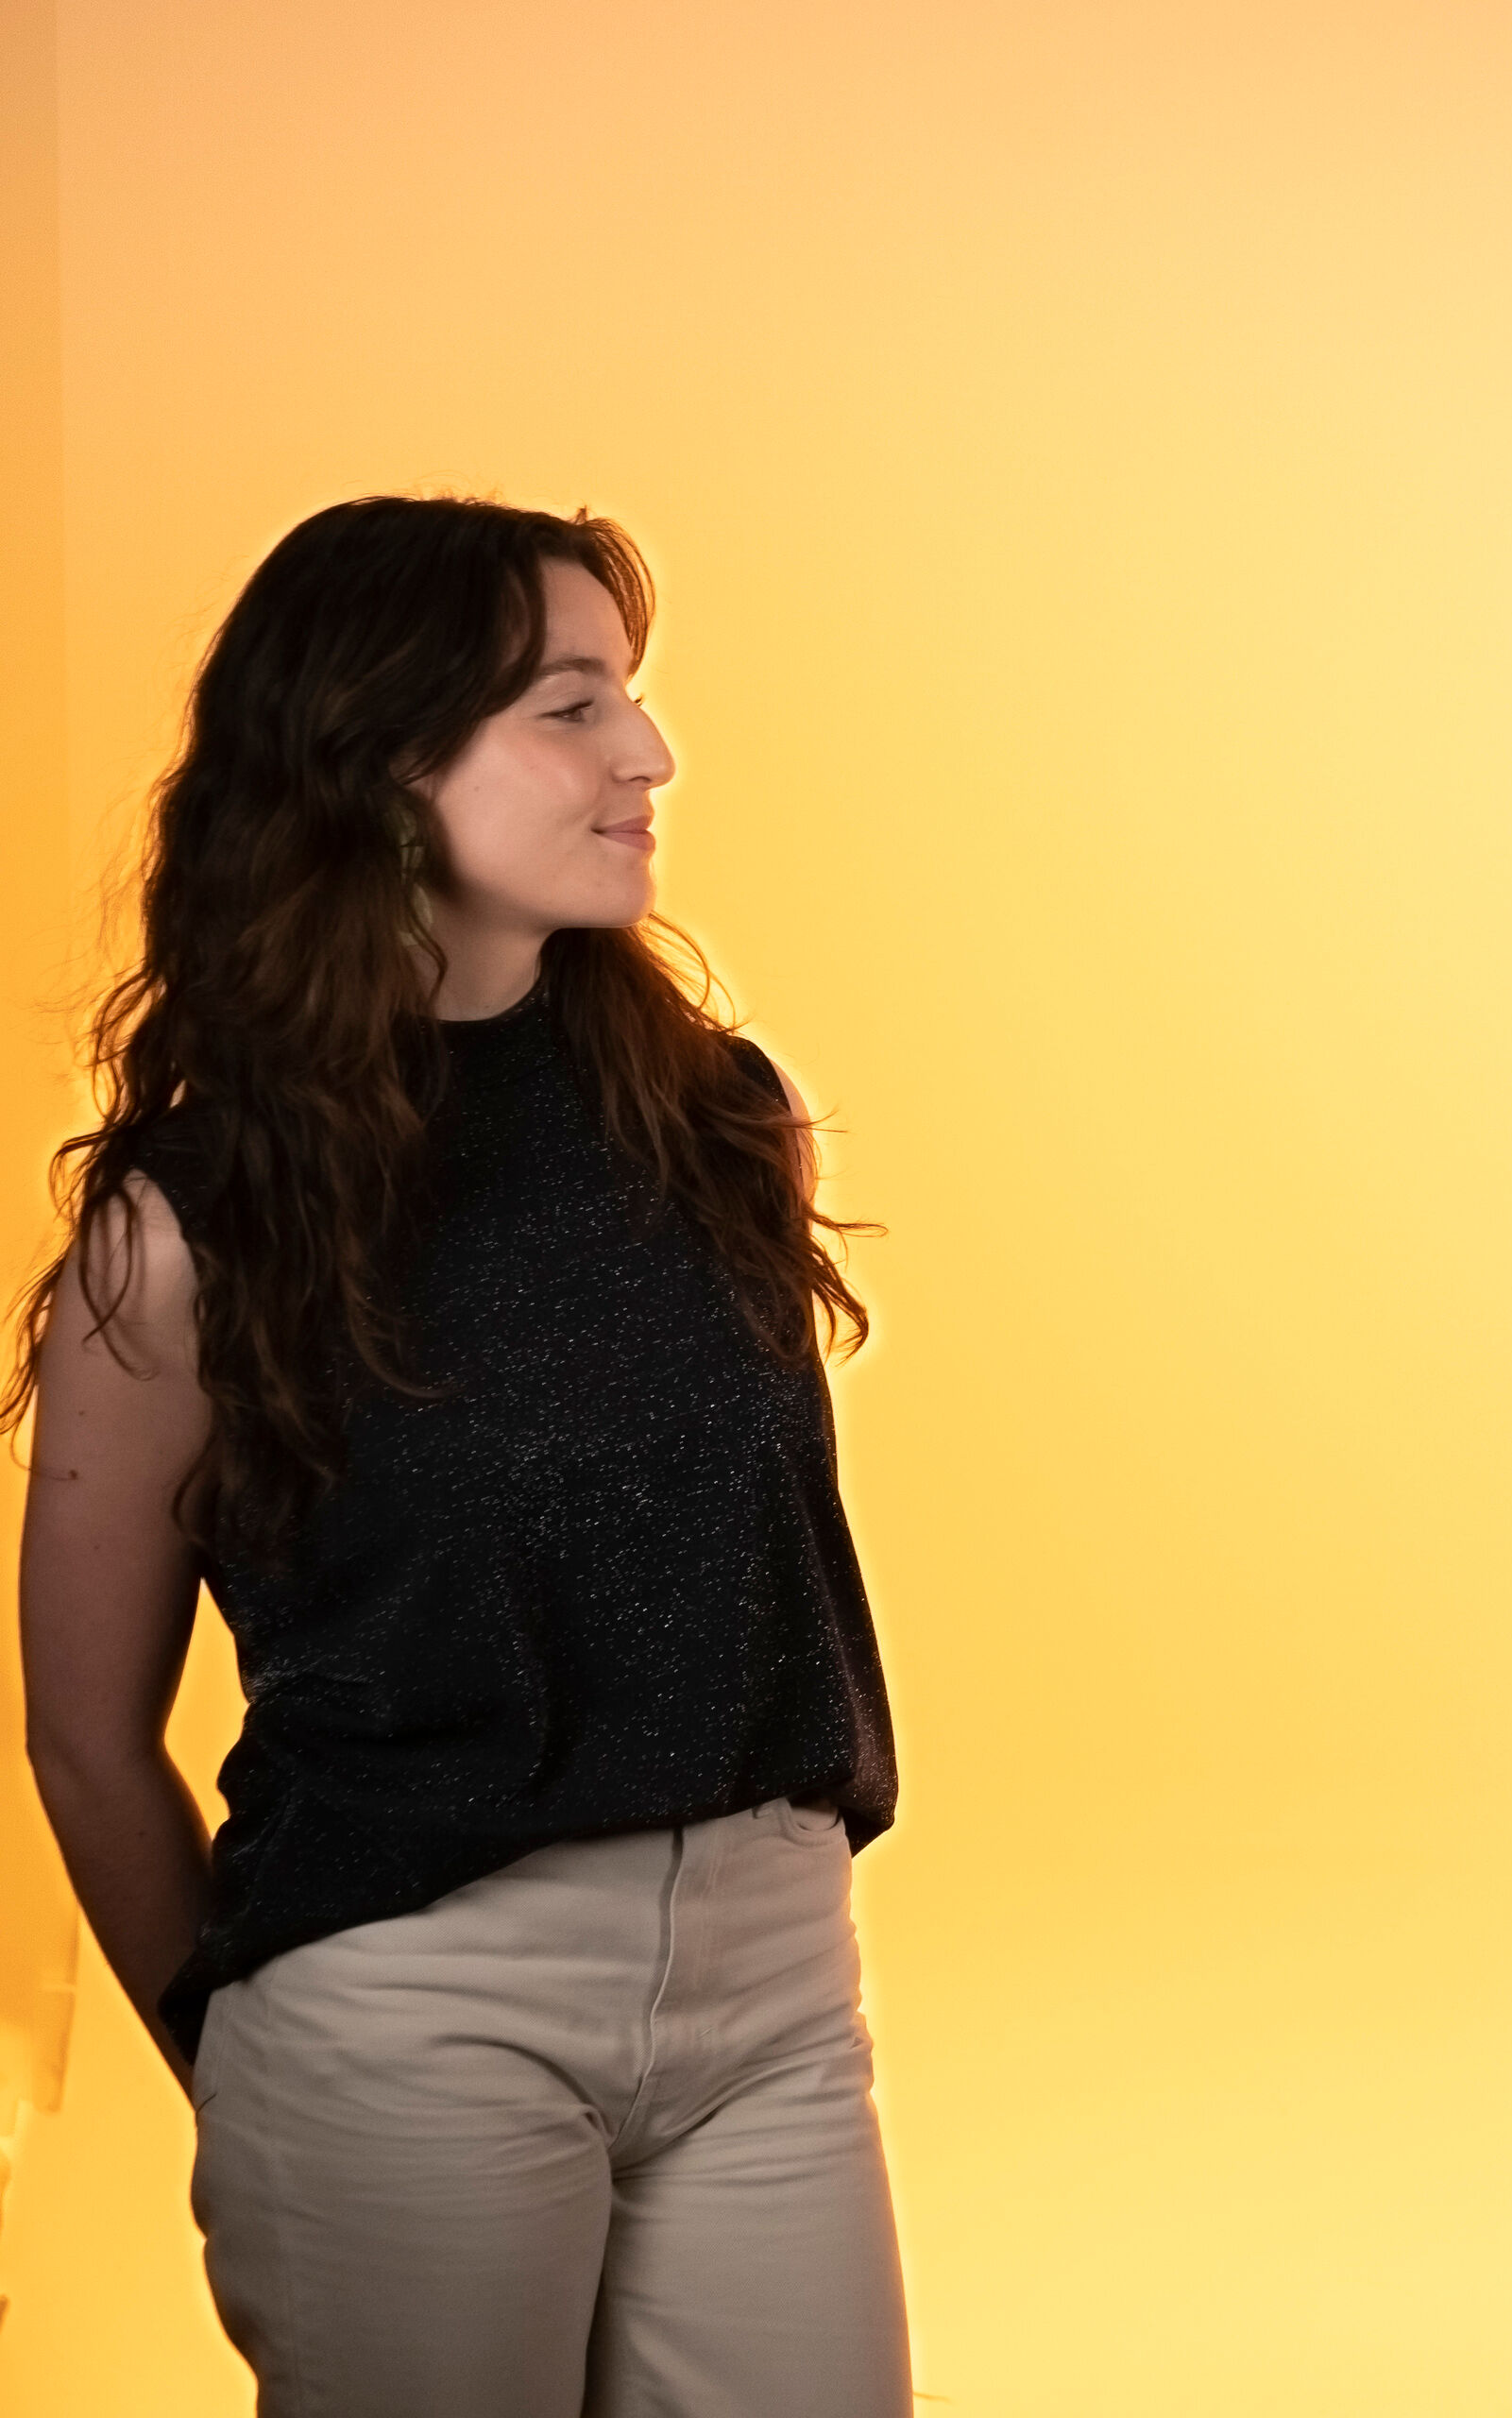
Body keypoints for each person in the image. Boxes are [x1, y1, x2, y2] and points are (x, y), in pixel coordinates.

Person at [11, 496, 908, 2417]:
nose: (647, 753)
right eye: (571, 706)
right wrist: (257, 2054)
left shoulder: (726, 1124)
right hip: (411, 2005)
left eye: (631, 695)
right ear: (381, 762)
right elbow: (84, 1735)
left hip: (773, 1983)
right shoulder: (190, 1227)